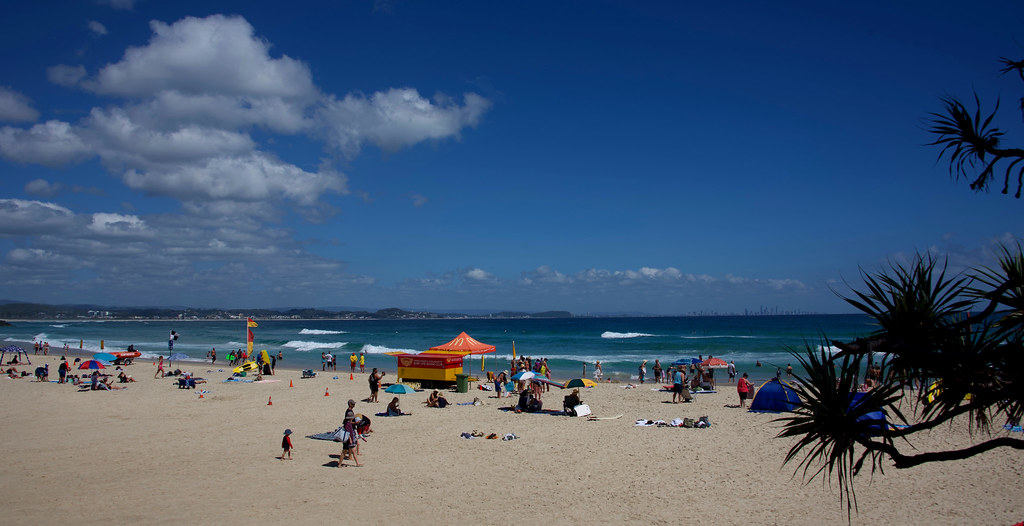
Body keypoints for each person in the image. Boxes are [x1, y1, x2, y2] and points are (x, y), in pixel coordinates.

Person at [340, 400, 362, 467]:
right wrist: (350, 439)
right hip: (348, 438)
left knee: (351, 450)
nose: (354, 405)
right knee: (344, 452)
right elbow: (347, 432)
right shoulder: (348, 424)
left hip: (350, 437)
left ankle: (357, 463)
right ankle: (340, 464)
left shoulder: (348, 422)